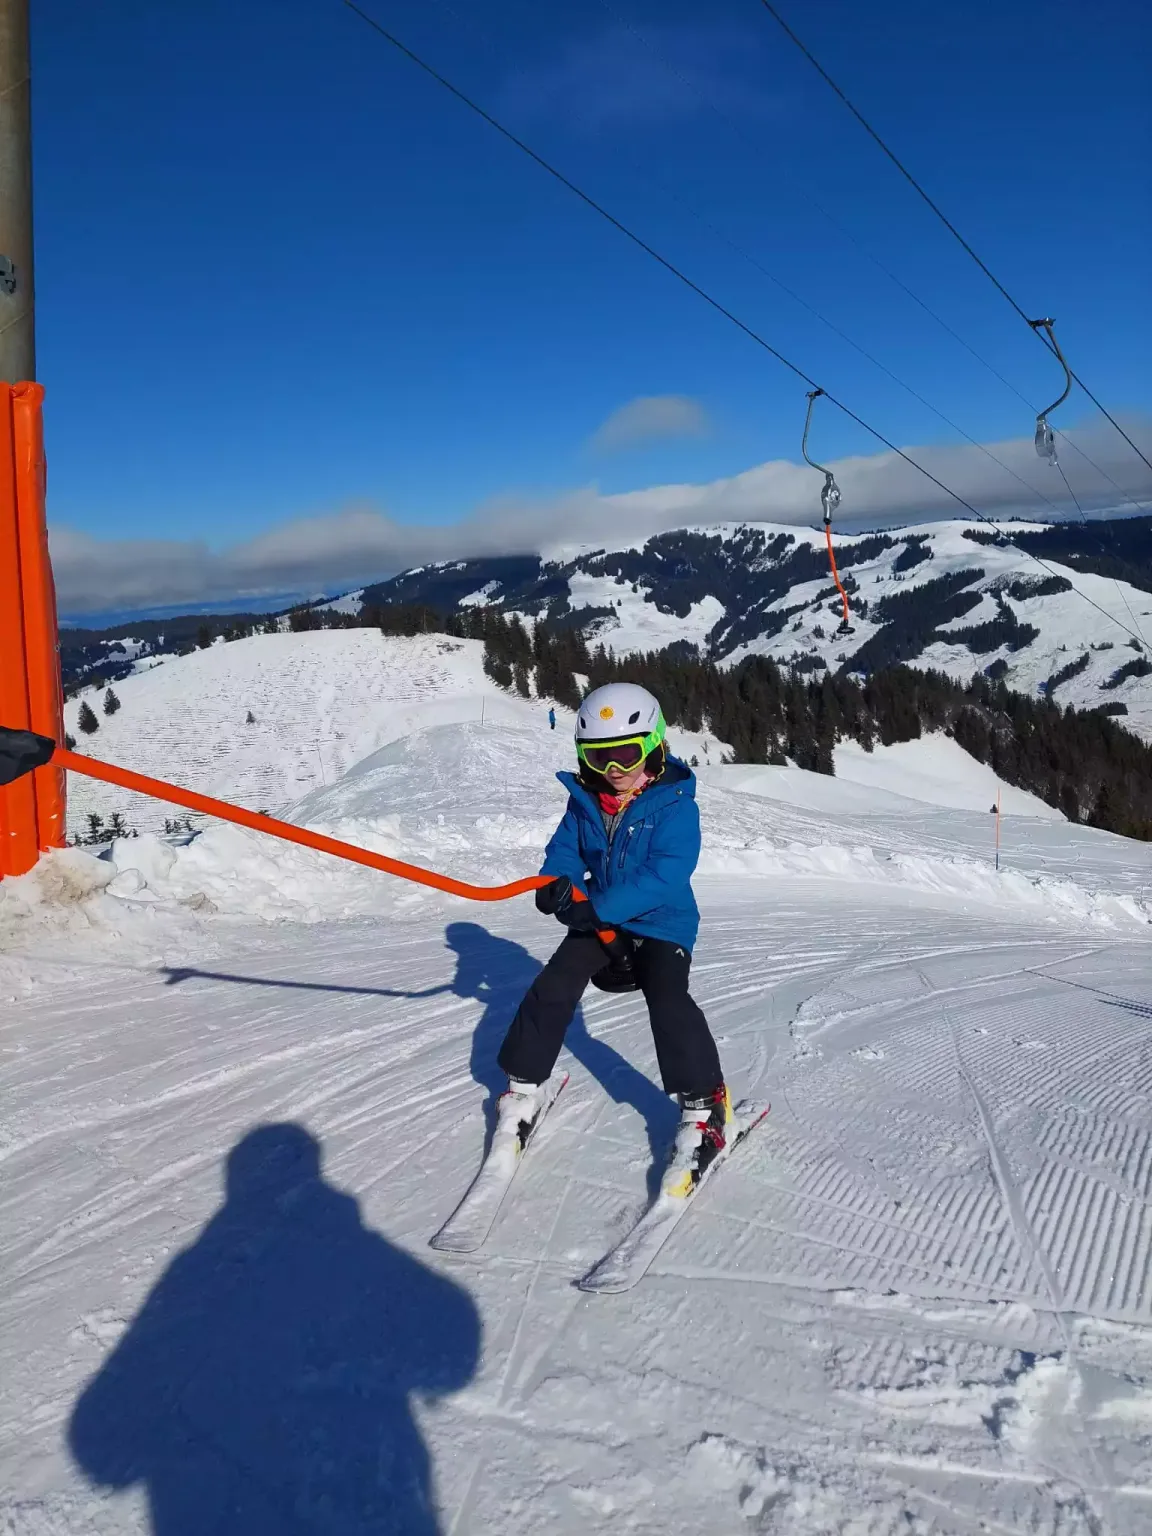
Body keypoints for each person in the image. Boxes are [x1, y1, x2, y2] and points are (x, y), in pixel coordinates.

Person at [497, 682, 729, 1196]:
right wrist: (554, 883)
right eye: (599, 758)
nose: (614, 770)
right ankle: (522, 1088)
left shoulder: (674, 806)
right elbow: (564, 851)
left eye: (625, 754)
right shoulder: (585, 802)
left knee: (666, 998)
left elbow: (666, 875)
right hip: (598, 919)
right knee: (553, 985)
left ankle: (705, 1103)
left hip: (661, 921)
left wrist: (596, 907)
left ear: (654, 746)